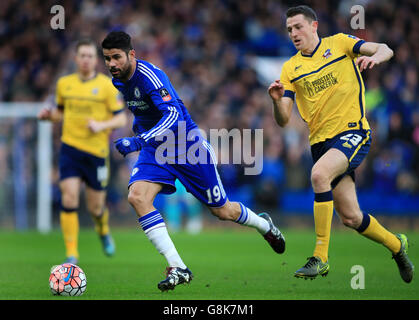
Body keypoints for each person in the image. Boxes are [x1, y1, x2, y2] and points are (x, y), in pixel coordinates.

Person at [101, 31, 285, 292]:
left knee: (222, 211)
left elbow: (174, 115)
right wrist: (140, 131)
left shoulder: (150, 77)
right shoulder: (118, 80)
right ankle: (178, 266)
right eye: (107, 59)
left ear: (131, 54)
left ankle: (265, 225)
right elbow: (144, 111)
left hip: (187, 146)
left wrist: (139, 140)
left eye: (116, 57)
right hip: (156, 149)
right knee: (137, 197)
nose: (111, 64)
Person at [268, 5, 414, 282]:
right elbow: (284, 120)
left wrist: (377, 58)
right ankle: (397, 246)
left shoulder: (340, 43)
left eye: (298, 27)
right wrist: (276, 102)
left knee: (319, 175)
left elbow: (385, 48)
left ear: (314, 26)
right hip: (320, 144)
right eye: (289, 30)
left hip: (353, 133)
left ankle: (320, 257)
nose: (293, 33)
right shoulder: (290, 69)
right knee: (351, 217)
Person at [38, 39, 127, 265]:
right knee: (68, 197)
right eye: (82, 56)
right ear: (76, 59)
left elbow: (121, 117)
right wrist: (50, 117)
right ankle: (71, 254)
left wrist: (101, 125)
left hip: (96, 154)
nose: (86, 60)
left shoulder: (107, 86)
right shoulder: (64, 84)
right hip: (70, 149)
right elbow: (60, 114)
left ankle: (103, 230)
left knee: (96, 207)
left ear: (95, 60)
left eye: (90, 56)